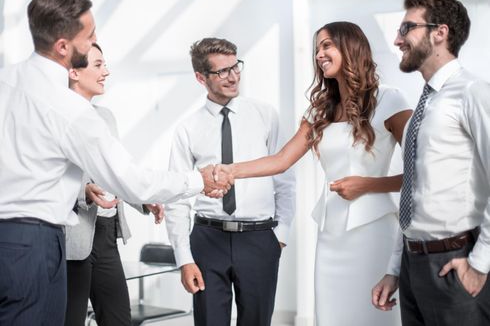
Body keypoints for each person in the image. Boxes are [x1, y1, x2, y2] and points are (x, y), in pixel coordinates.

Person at [0, 0, 230, 326]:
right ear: (64, 47)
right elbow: (132, 181)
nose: (95, 40)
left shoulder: (6, 80)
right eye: (89, 35)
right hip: (34, 243)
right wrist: (201, 179)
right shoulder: (69, 109)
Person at [215, 22, 413, 325]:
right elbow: (281, 160)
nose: (319, 54)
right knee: (330, 316)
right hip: (331, 233)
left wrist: (368, 185)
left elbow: (421, 171)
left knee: (373, 316)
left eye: (327, 45)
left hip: (373, 231)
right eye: (317, 47)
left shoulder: (390, 99)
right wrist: (230, 170)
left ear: (351, 48)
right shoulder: (319, 110)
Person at [372, 0, 490, 326]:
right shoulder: (421, 110)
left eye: (406, 28)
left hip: (456, 265)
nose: (397, 39)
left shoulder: (473, 94)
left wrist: (479, 264)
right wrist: (395, 270)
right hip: (414, 267)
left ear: (440, 32)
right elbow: (414, 194)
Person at [165, 37, 296, 326]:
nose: (233, 76)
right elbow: (177, 196)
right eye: (221, 71)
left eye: (235, 66)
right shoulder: (187, 128)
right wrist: (184, 258)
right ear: (201, 78)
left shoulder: (265, 116)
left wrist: (280, 235)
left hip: (259, 238)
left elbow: (284, 178)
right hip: (208, 239)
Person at [64, 43, 164, 326]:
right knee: (70, 320)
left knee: (119, 318)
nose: (106, 72)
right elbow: (44, 176)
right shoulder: (53, 116)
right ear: (73, 71)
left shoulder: (105, 117)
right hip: (72, 235)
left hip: (106, 233)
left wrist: (141, 198)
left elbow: (117, 170)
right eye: (98, 65)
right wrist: (82, 192)